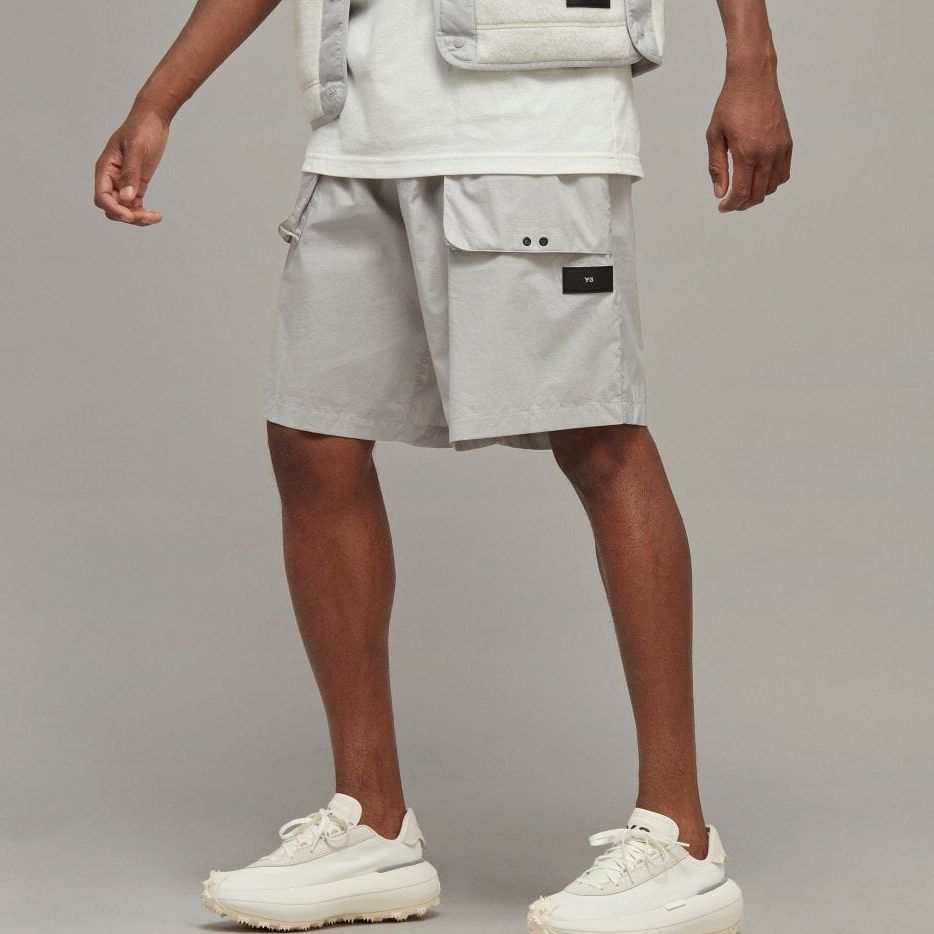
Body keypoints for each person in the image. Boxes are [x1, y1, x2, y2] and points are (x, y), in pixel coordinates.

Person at [95, 1, 792, 932]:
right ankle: (371, 824)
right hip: (361, 135)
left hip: (531, 126)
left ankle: (680, 838)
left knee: (601, 438)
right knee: (312, 437)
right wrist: (158, 101)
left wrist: (753, 61)